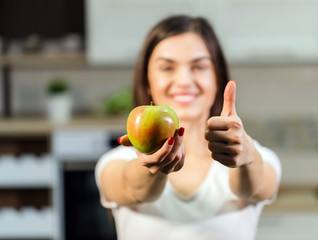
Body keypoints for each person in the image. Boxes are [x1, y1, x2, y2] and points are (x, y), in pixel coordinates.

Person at [95, 15, 281, 240]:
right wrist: (154, 166)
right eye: (167, 67)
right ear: (147, 82)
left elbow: (255, 187)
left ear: (217, 79)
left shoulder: (254, 156)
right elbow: (135, 189)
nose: (183, 80)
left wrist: (248, 157)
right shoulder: (115, 164)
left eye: (199, 66)